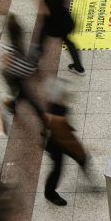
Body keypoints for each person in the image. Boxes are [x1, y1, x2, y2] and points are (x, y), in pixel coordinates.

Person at [42, 77, 88, 206]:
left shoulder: (58, 105)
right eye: (69, 93)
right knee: (57, 168)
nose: (73, 95)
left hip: (56, 139)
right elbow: (63, 138)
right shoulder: (56, 114)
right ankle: (49, 193)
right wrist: (78, 148)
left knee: (82, 158)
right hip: (55, 144)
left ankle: (88, 177)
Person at [32, 0, 85, 75]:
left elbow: (45, 12)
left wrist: (39, 0)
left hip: (51, 23)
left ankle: (33, 64)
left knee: (40, 41)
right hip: (64, 20)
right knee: (68, 42)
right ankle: (79, 68)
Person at [0, 13, 44, 117]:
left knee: (25, 96)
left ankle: (12, 105)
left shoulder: (10, 48)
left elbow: (7, 66)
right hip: (19, 76)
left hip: (15, 78)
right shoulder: (19, 34)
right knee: (24, 96)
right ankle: (12, 104)